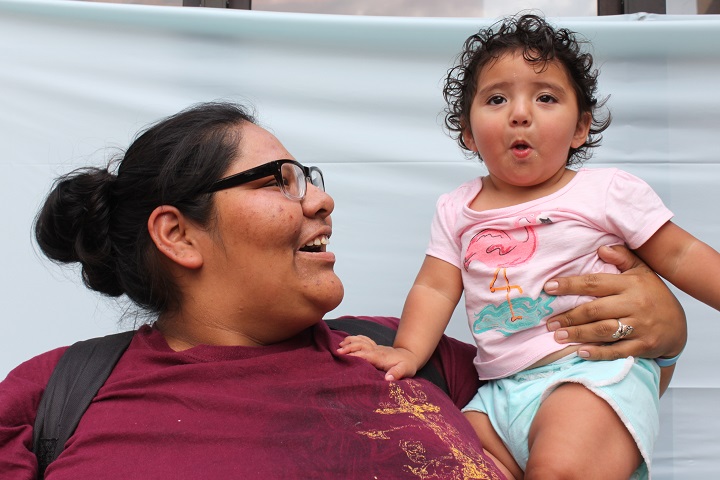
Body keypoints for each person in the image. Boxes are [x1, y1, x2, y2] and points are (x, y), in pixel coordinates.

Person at [0, 101, 685, 479]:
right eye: (278, 181)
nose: (322, 200)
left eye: (309, 176)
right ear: (178, 236)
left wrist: (660, 336)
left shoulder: (403, 354)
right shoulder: (58, 396)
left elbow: (584, 408)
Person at [338, 14, 720, 480]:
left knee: (561, 467)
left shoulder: (606, 191)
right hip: (498, 395)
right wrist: (408, 353)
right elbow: (436, 289)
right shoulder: (457, 208)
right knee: (443, 457)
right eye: (497, 98)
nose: (520, 113)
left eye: (545, 97)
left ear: (580, 129)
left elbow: (681, 256)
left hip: (589, 375)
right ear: (467, 132)